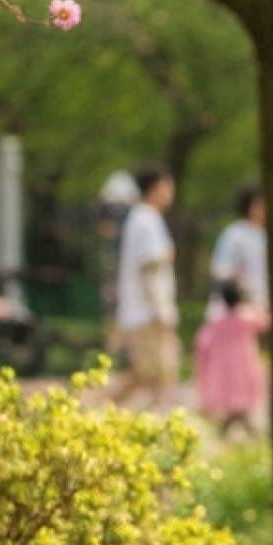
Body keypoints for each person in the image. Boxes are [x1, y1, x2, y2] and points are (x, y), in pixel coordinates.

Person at [112, 165, 180, 409]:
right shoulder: (146, 219)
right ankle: (158, 421)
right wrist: (161, 310)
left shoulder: (143, 218)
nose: (171, 192)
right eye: (167, 186)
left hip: (142, 311)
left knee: (145, 374)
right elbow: (150, 268)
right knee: (161, 372)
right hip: (148, 312)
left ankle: (106, 407)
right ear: (155, 188)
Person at [192, 278, 265, 435]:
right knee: (241, 408)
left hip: (226, 371)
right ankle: (247, 433)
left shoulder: (218, 322)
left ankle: (229, 431)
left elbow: (203, 342)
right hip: (245, 367)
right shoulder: (246, 317)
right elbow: (264, 321)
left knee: (236, 409)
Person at [209, 187, 269, 329]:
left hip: (261, 312)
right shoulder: (234, 235)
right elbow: (222, 272)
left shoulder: (263, 236)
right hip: (236, 312)